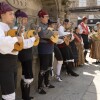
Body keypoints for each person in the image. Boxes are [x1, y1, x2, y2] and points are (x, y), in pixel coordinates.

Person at [0, 2, 23, 100]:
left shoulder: (7, 27)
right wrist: (16, 39)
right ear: (2, 14)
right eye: (10, 14)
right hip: (5, 63)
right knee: (9, 94)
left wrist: (19, 35)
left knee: (11, 91)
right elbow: (1, 43)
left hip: (12, 62)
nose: (13, 16)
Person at [14, 10, 39, 100]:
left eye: (26, 19)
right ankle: (25, 96)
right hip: (24, 55)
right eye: (24, 19)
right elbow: (24, 44)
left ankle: (26, 96)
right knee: (27, 75)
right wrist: (33, 38)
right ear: (19, 19)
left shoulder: (21, 28)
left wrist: (32, 38)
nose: (26, 21)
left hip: (27, 55)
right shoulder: (17, 28)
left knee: (26, 75)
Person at [37, 10, 56, 94]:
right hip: (43, 49)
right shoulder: (38, 25)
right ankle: (39, 87)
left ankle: (47, 83)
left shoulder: (46, 25)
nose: (48, 18)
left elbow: (50, 34)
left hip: (49, 48)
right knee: (43, 68)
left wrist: (51, 33)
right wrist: (52, 32)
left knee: (48, 66)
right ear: (41, 17)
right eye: (46, 16)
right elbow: (43, 34)